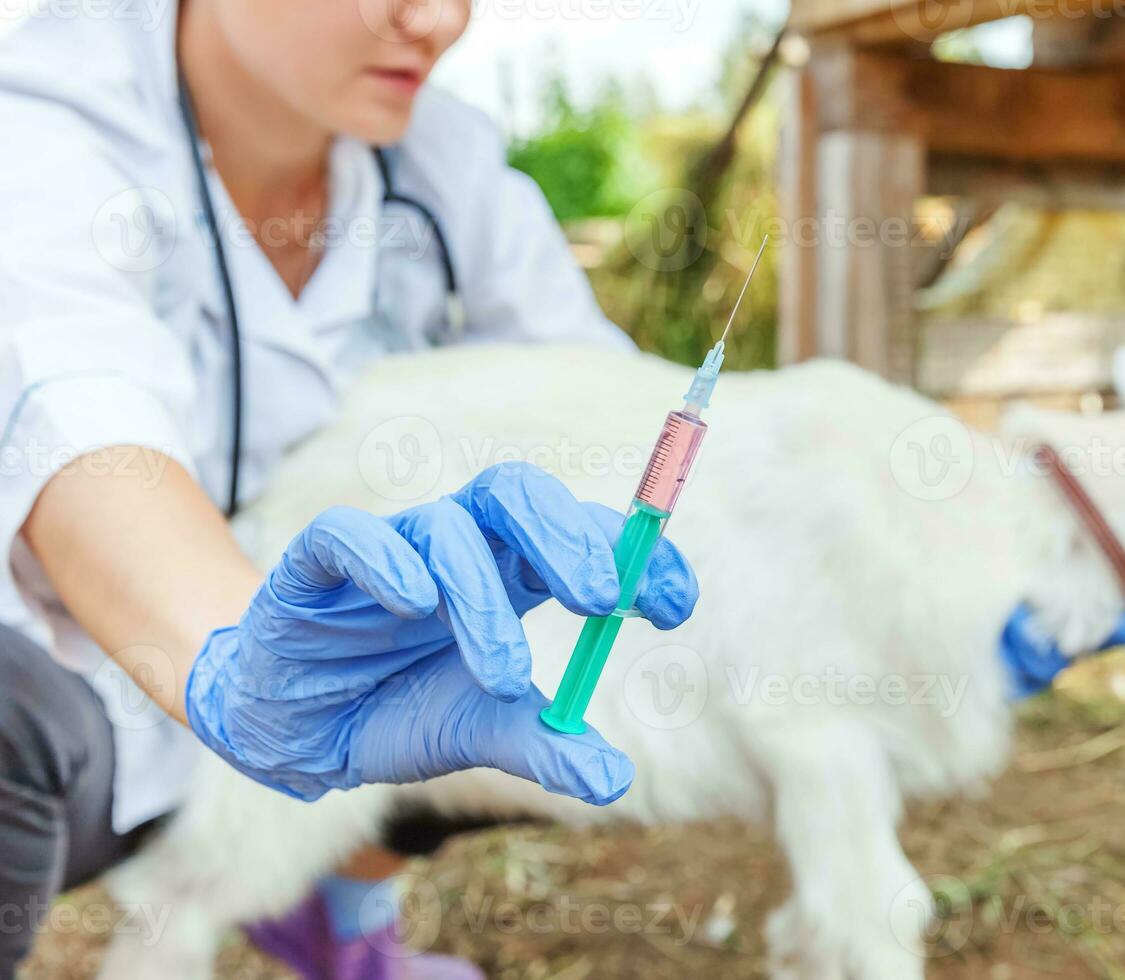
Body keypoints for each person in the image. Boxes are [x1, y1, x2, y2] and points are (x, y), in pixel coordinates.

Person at [0, 1, 700, 977]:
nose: (438, 20)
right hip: (83, 692)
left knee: (511, 644)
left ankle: (334, 907)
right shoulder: (46, 118)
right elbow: (81, 419)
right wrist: (239, 661)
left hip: (330, 703)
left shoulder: (445, 163)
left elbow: (597, 394)